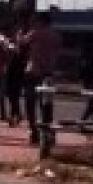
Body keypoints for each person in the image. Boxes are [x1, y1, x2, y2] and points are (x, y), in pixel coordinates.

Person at [19, 10, 62, 143]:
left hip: (33, 71)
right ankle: (47, 131)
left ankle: (34, 131)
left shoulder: (35, 33)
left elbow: (22, 42)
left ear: (41, 21)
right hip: (48, 72)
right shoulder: (56, 36)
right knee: (46, 105)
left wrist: (20, 32)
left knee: (30, 103)